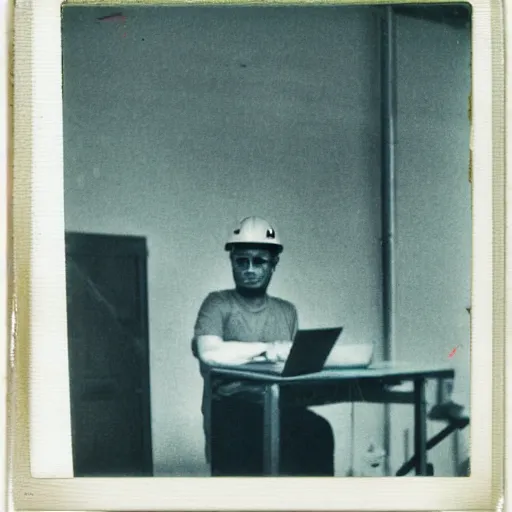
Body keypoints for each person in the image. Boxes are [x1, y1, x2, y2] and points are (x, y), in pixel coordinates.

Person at [192, 216, 335, 477]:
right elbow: (209, 352)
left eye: (258, 261)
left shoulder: (286, 311)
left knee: (319, 431)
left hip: (280, 406)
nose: (249, 268)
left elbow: (290, 364)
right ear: (232, 261)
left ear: (273, 264)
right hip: (233, 409)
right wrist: (266, 348)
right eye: (241, 261)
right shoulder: (217, 304)